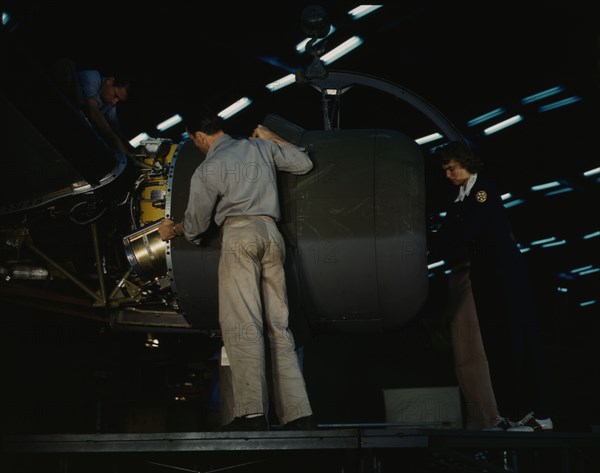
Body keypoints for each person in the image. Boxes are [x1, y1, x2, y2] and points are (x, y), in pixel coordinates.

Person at [158, 106, 315, 431]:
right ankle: (299, 415)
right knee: (279, 327)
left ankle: (252, 414)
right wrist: (271, 136)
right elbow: (303, 163)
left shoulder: (210, 165)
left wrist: (172, 229)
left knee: (242, 324)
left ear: (199, 137)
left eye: (195, 142)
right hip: (272, 235)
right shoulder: (260, 146)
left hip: (240, 236)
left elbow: (198, 225)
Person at [428, 141, 553, 432]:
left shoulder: (483, 192)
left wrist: (436, 244)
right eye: (444, 170)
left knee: (516, 341)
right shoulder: (460, 198)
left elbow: (465, 231)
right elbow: (450, 233)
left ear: (465, 163)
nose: (447, 174)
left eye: (451, 168)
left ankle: (539, 414)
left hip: (505, 276)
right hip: (485, 278)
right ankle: (513, 413)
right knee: (497, 347)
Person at [51, 57, 136, 158]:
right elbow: (93, 111)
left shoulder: (110, 102)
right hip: (61, 105)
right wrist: (117, 142)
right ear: (110, 81)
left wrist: (131, 151)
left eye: (118, 100)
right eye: (115, 95)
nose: (114, 101)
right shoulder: (92, 77)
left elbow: (116, 129)